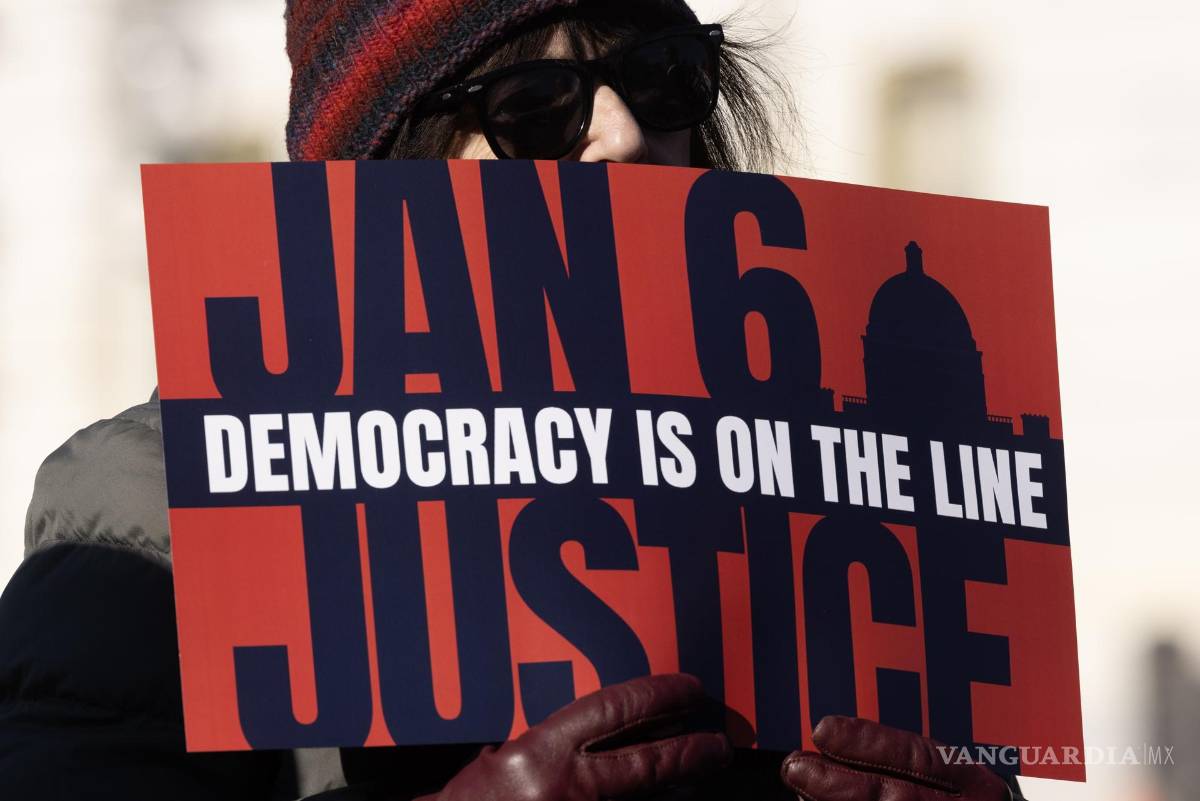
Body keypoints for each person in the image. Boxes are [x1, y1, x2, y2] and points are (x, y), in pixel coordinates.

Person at [0, 1, 1022, 799]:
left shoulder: (846, 464)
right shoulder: (161, 505)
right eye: (537, 107)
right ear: (388, 172)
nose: (622, 136)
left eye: (663, 77)